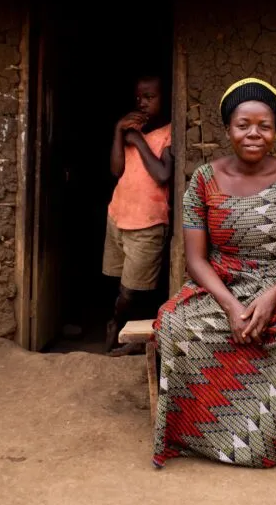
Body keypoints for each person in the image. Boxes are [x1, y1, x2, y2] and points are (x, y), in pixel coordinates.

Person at [153, 78, 276, 468]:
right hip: (223, 284)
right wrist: (231, 306)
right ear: (228, 129)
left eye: (264, 126)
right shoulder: (202, 181)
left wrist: (271, 297)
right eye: (243, 125)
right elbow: (196, 260)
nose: (254, 134)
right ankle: (205, 435)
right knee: (174, 325)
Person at [104, 75, 173, 355]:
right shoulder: (131, 130)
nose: (142, 103)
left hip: (147, 222)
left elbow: (163, 174)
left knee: (133, 290)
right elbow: (116, 170)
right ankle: (126, 333)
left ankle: (121, 329)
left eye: (149, 97)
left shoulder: (170, 132)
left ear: (165, 98)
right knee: (119, 283)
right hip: (118, 215)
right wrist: (119, 132)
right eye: (138, 98)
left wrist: (139, 141)